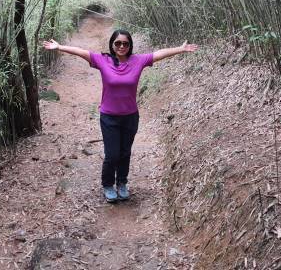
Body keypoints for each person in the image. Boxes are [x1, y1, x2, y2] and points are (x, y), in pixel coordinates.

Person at [43, 29, 198, 203]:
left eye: (125, 43)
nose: (121, 46)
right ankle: (108, 185)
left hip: (130, 116)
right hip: (109, 117)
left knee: (125, 153)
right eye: (118, 43)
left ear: (130, 45)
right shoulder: (102, 60)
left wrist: (180, 49)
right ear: (112, 44)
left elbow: (159, 54)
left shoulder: (138, 61)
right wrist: (59, 47)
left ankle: (122, 183)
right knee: (112, 154)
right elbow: (81, 52)